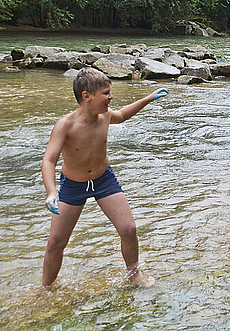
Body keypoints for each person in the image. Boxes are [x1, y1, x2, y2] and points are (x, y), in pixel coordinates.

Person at [41, 67, 168, 287]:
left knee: (129, 229)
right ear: (86, 97)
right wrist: (51, 191)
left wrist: (148, 98)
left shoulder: (105, 115)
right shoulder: (65, 125)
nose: (111, 97)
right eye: (106, 93)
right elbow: (49, 160)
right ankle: (45, 289)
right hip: (73, 185)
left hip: (103, 180)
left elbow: (123, 115)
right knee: (55, 242)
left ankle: (134, 276)